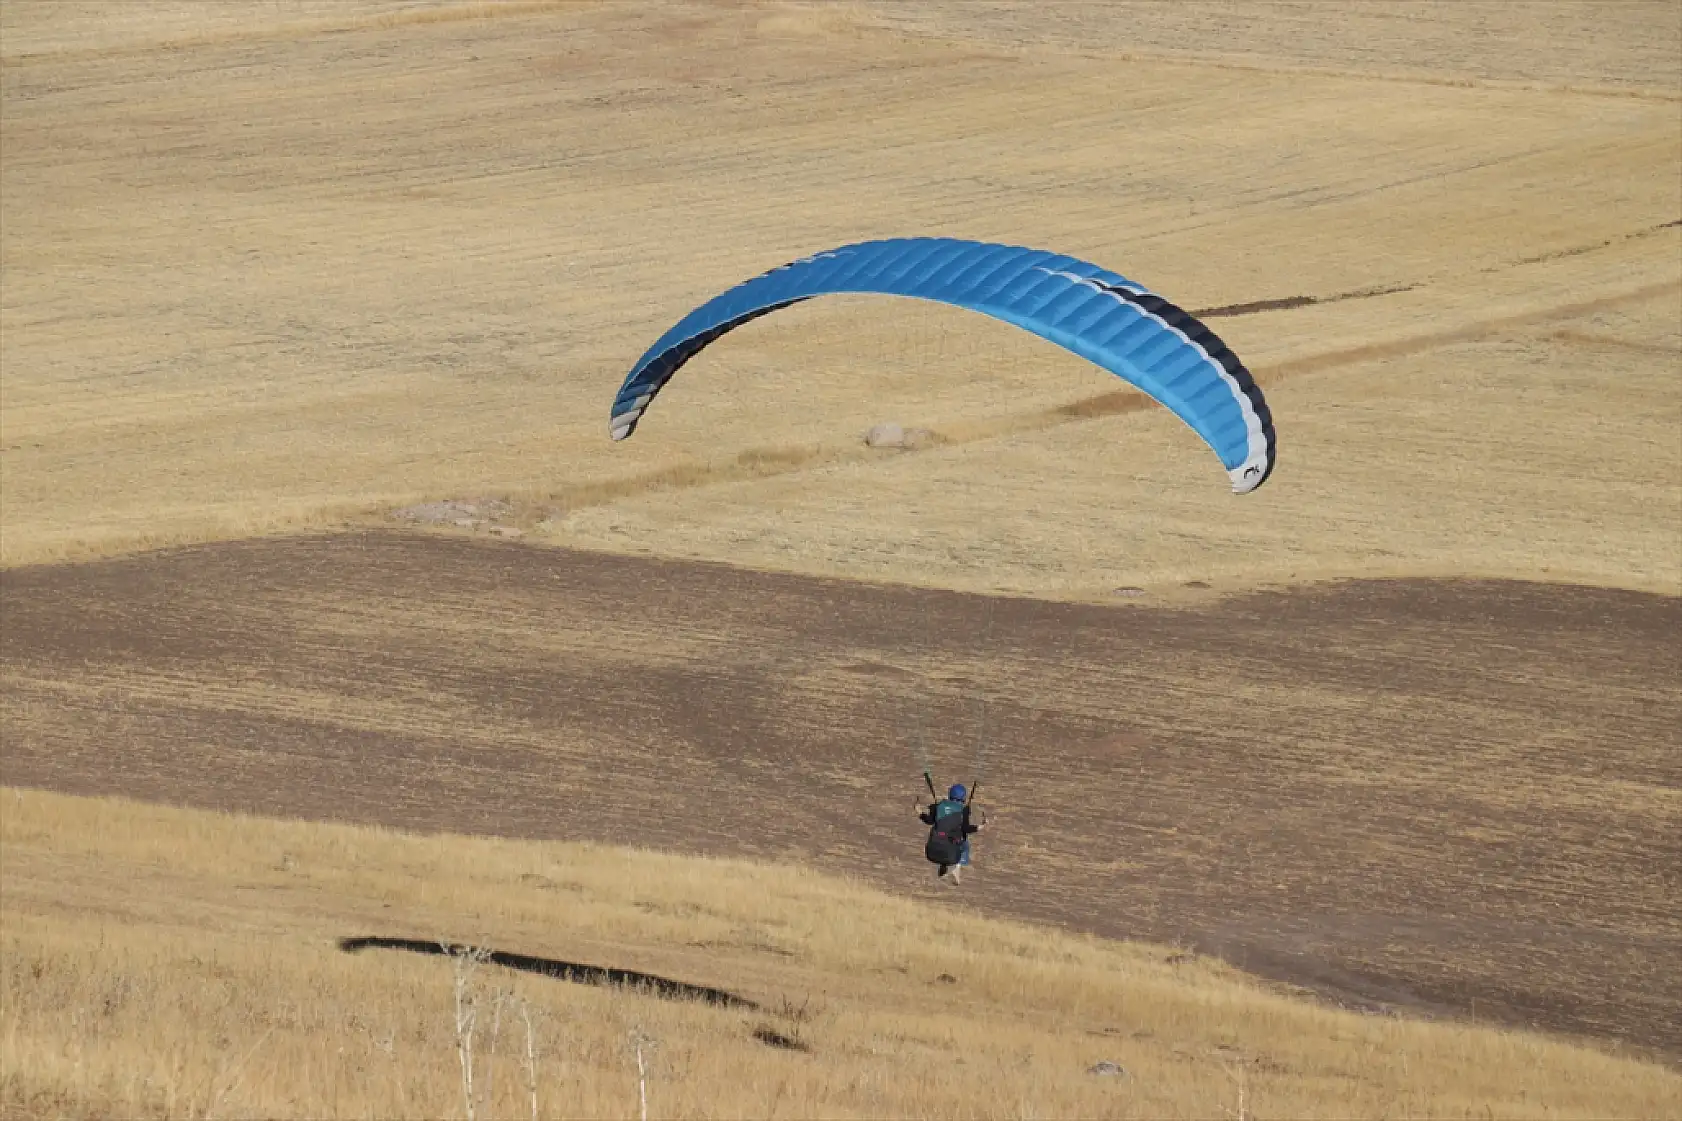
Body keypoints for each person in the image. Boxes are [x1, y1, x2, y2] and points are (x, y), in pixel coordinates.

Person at [920, 783, 983, 884]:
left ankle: (943, 866)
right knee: (964, 842)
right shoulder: (964, 810)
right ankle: (956, 869)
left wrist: (920, 813)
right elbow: (966, 829)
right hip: (951, 855)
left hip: (931, 852)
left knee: (943, 836)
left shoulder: (938, 806)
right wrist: (979, 827)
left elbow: (929, 821)